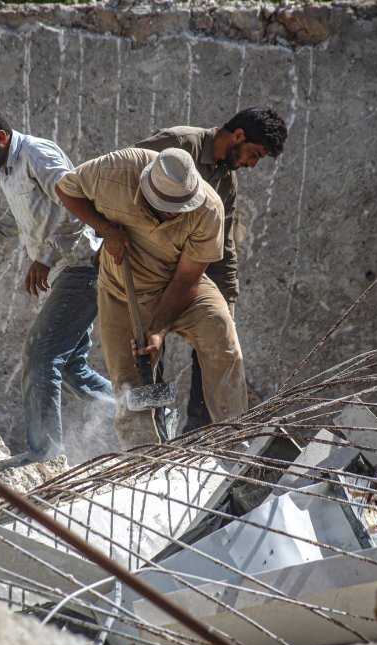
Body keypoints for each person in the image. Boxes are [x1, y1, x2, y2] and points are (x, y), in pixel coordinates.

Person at [55, 147, 247, 448]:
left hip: (179, 284)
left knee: (222, 337)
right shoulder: (115, 171)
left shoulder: (209, 210)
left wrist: (157, 331)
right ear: (146, 187)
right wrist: (105, 229)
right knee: (129, 382)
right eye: (167, 206)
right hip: (122, 289)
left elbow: (187, 279)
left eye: (181, 206)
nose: (175, 212)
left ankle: (235, 439)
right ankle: (142, 459)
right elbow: (65, 188)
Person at [0, 102, 114, 463]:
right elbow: (22, 216)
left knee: (40, 353)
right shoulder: (7, 169)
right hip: (66, 272)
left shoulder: (36, 154)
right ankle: (145, 413)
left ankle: (44, 456)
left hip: (82, 267)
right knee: (73, 370)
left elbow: (78, 205)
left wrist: (44, 258)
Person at [135, 107, 287, 433]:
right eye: (253, 154)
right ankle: (151, 444)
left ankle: (199, 440)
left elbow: (224, 249)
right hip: (142, 269)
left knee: (215, 343)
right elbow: (122, 179)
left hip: (187, 277)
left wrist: (227, 307)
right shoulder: (176, 144)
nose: (252, 163)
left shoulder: (227, 183)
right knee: (145, 354)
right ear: (238, 136)